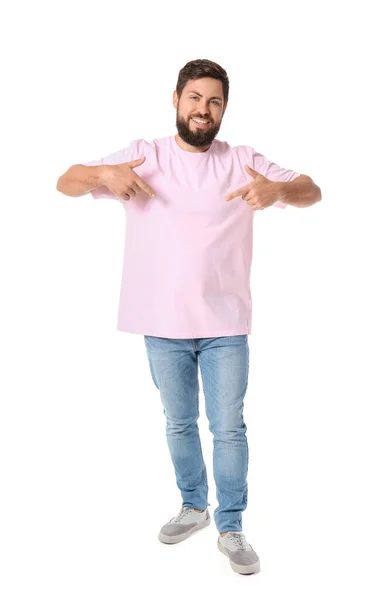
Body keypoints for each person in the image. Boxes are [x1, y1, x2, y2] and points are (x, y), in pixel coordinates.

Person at [56, 58, 321, 575]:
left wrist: (280, 190)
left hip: (225, 325)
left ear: (224, 109)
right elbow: (65, 180)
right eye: (195, 98)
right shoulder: (143, 156)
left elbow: (312, 190)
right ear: (176, 100)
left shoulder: (243, 160)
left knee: (228, 428)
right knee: (178, 423)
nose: (204, 109)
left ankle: (232, 526)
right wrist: (104, 175)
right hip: (161, 322)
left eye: (215, 101)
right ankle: (193, 506)